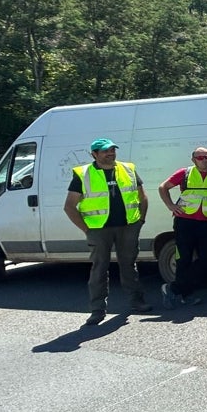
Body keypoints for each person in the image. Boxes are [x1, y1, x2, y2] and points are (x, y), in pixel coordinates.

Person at [64, 138, 151, 325]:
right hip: (99, 230)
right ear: (94, 154)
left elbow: (142, 197)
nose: (110, 153)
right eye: (105, 151)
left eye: (112, 150)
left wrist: (140, 221)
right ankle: (97, 310)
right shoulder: (83, 174)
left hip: (128, 226)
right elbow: (70, 206)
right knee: (99, 268)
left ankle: (137, 301)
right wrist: (87, 229)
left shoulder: (128, 168)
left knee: (129, 265)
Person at [158, 146, 207, 309]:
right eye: (201, 158)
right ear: (193, 160)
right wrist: (171, 206)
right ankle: (183, 295)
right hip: (185, 222)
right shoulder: (185, 173)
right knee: (183, 260)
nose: (205, 160)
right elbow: (163, 187)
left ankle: (173, 288)